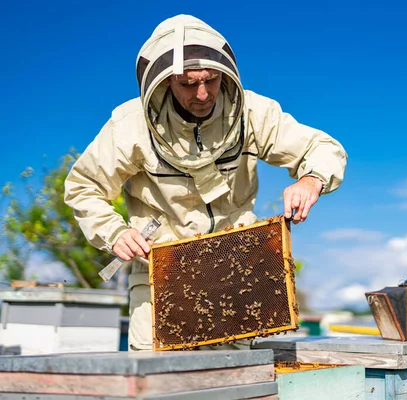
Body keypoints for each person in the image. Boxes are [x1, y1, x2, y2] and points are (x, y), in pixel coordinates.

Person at [63, 14, 347, 351]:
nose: (202, 94)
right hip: (163, 280)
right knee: (161, 384)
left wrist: (311, 179)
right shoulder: (130, 126)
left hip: (237, 278)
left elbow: (322, 148)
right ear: (166, 80)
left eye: (210, 81)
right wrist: (114, 232)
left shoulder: (252, 113)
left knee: (238, 382)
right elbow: (83, 186)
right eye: (187, 84)